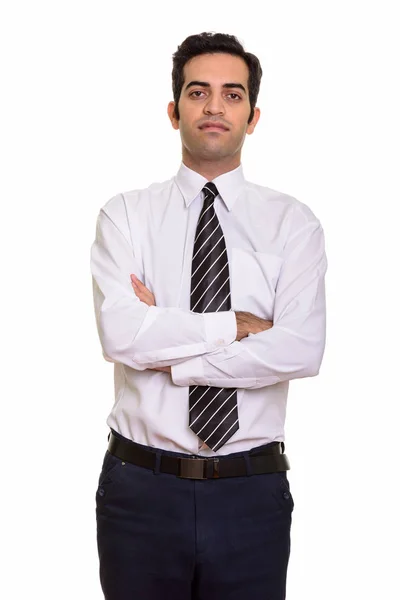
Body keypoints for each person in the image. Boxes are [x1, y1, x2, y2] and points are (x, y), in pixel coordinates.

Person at [90, 31, 327, 600]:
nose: (215, 106)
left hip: (251, 492)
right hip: (140, 491)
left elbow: (301, 350)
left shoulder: (293, 224)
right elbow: (121, 334)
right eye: (198, 92)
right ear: (174, 112)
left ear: (253, 115)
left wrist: (169, 351)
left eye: (232, 94)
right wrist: (234, 326)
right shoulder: (125, 216)